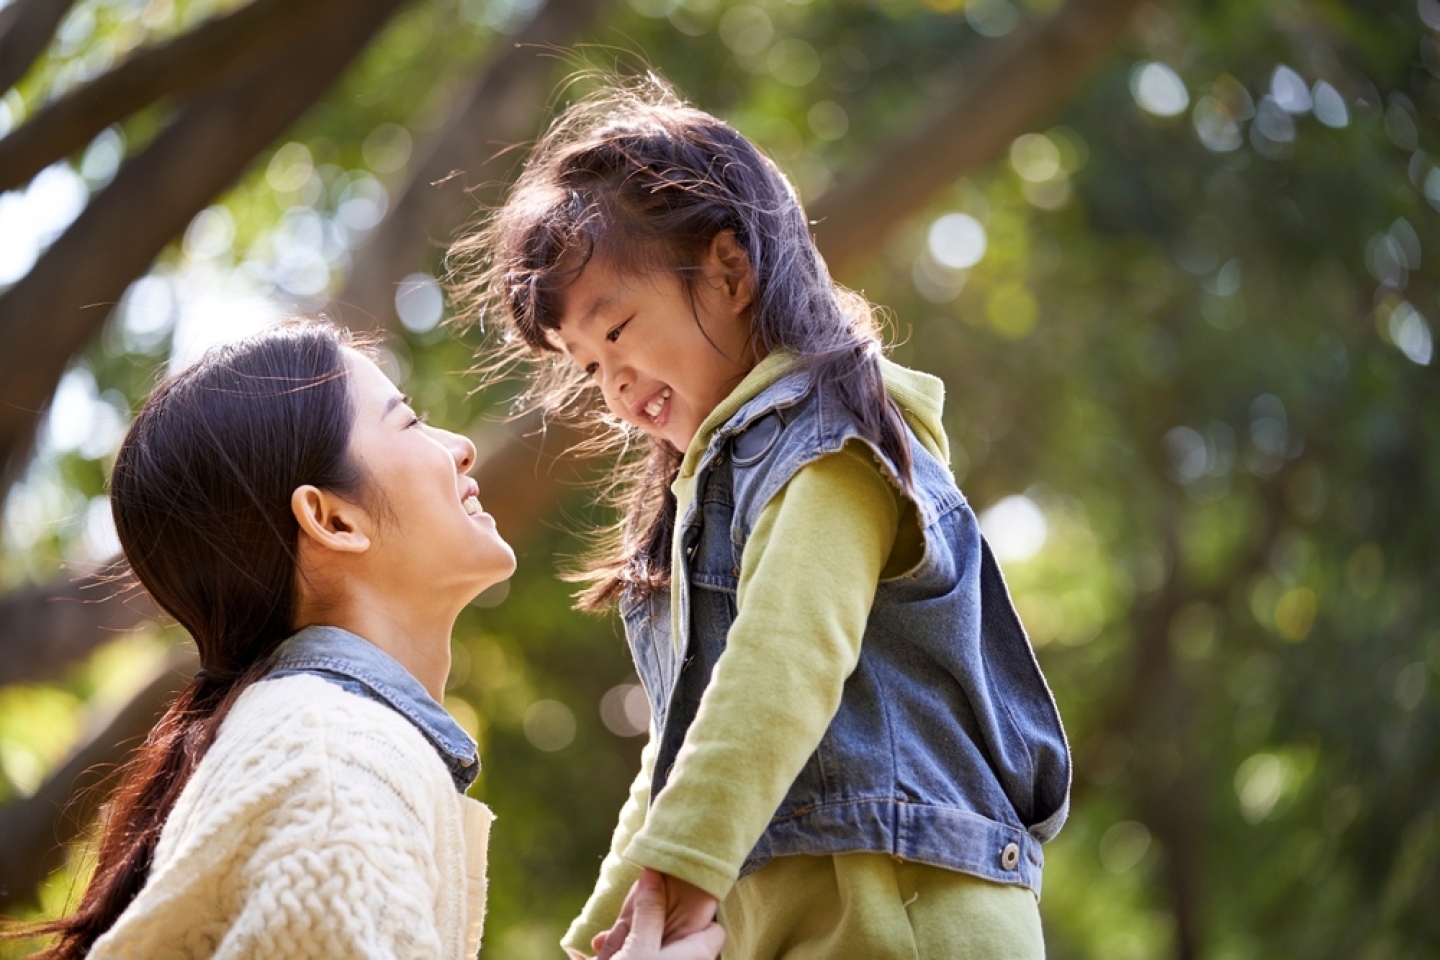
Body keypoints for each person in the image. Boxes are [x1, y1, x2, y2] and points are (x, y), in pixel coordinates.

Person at [448, 77, 1073, 960]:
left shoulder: (833, 443)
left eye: (617, 330)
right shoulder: (699, 502)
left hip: (909, 909)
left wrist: (688, 864)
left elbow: (787, 659)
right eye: (586, 368)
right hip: (797, 920)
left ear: (730, 271)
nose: (613, 384)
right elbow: (681, 743)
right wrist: (608, 925)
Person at [5, 321, 724, 960]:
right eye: (410, 423)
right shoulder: (333, 767)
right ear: (333, 521)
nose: (463, 448)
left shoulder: (324, 746)